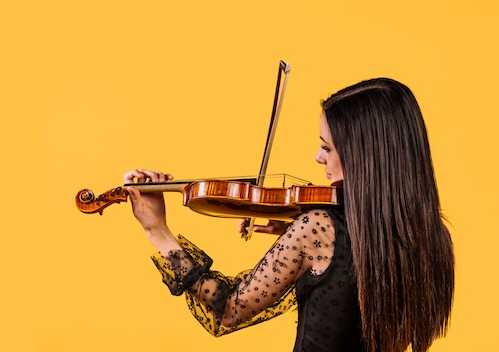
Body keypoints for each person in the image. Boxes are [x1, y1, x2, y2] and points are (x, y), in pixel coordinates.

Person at [123, 78, 455, 352]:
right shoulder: (432, 235)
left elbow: (228, 310)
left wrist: (158, 231)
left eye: (327, 147)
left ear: (363, 156)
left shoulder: (318, 229)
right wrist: (289, 232)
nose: (317, 157)